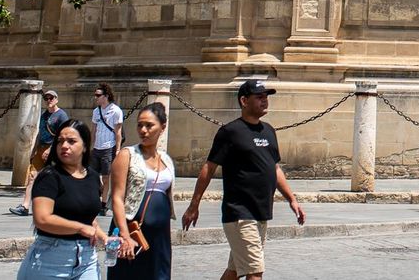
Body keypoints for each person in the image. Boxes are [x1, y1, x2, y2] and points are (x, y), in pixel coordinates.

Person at [181, 79, 306, 280]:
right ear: (244, 101)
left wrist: (292, 199)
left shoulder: (269, 131)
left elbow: (274, 168)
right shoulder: (230, 132)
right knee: (255, 271)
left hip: (261, 211)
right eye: (259, 97)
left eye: (266, 97)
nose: (265, 101)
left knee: (235, 270)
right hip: (239, 213)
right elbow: (209, 167)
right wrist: (194, 205)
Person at [18, 120, 123, 280]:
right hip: (50, 259)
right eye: (60, 141)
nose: (64, 146)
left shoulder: (93, 177)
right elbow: (42, 219)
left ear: (85, 146)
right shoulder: (49, 176)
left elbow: (89, 219)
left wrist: (105, 238)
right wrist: (80, 228)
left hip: (87, 259)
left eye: (72, 141)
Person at [108, 104, 175, 279]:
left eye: (149, 125)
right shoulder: (127, 155)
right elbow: (117, 197)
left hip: (160, 235)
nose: (143, 130)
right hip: (132, 230)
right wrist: (124, 234)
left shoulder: (166, 159)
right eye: (139, 125)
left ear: (163, 127)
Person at [13, 90, 72, 217]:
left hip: (54, 150)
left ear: (56, 99)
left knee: (56, 179)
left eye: (51, 98)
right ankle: (25, 206)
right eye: (46, 98)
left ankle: (61, 206)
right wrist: (34, 150)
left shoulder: (62, 116)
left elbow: (64, 135)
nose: (49, 100)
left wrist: (51, 149)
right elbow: (39, 133)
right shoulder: (44, 115)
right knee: (31, 178)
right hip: (41, 149)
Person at [90, 84, 124, 213]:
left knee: (106, 176)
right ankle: (98, 193)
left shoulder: (115, 111)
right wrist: (91, 146)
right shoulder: (96, 111)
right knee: (92, 175)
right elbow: (93, 129)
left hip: (108, 147)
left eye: (98, 95)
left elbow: (118, 131)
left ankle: (103, 204)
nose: (96, 97)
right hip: (97, 147)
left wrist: (118, 149)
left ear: (106, 96)